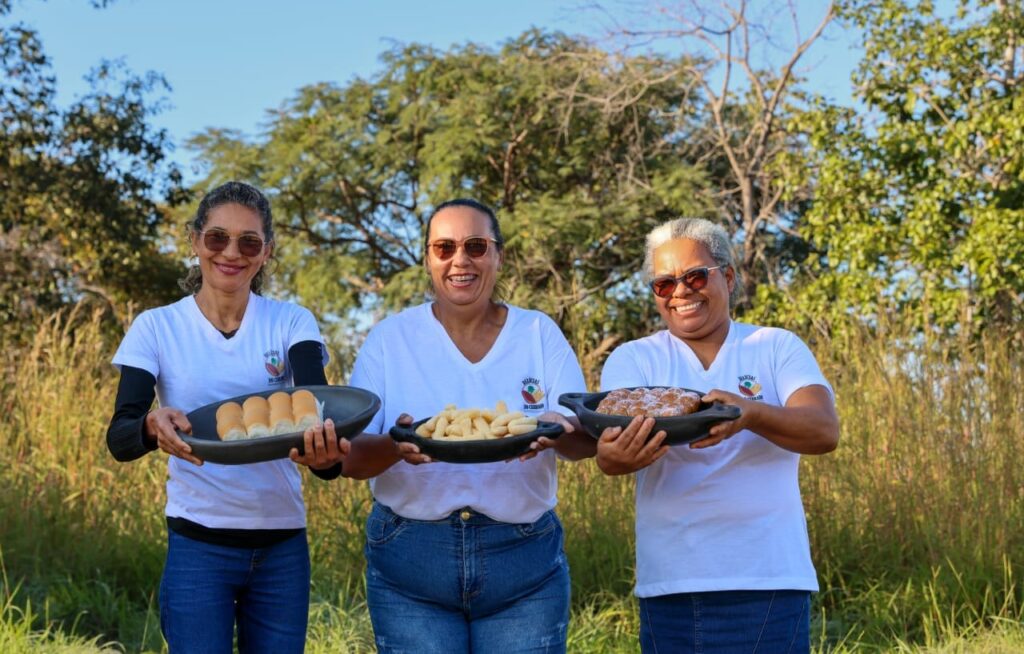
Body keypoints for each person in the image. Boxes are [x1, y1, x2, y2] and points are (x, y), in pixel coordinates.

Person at [335, 198, 594, 653]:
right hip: (411, 562)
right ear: (428, 258)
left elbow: (582, 441)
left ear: (498, 255)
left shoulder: (538, 333)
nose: (461, 260)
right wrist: (399, 447)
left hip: (524, 563)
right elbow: (352, 458)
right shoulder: (388, 340)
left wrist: (556, 430)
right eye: (444, 247)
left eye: (476, 246)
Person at [105, 181, 346, 654]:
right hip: (198, 547)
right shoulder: (156, 327)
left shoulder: (291, 321)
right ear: (194, 240)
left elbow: (320, 418)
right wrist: (152, 426)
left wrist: (325, 454)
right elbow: (120, 438)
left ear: (266, 252)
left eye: (248, 242)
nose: (231, 252)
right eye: (217, 238)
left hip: (282, 547)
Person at [596, 217, 840, 653]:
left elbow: (823, 430)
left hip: (770, 579)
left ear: (726, 276)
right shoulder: (634, 359)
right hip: (673, 582)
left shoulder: (775, 346)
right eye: (664, 284)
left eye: (694, 276)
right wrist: (616, 456)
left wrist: (751, 414)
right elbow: (609, 458)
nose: (681, 292)